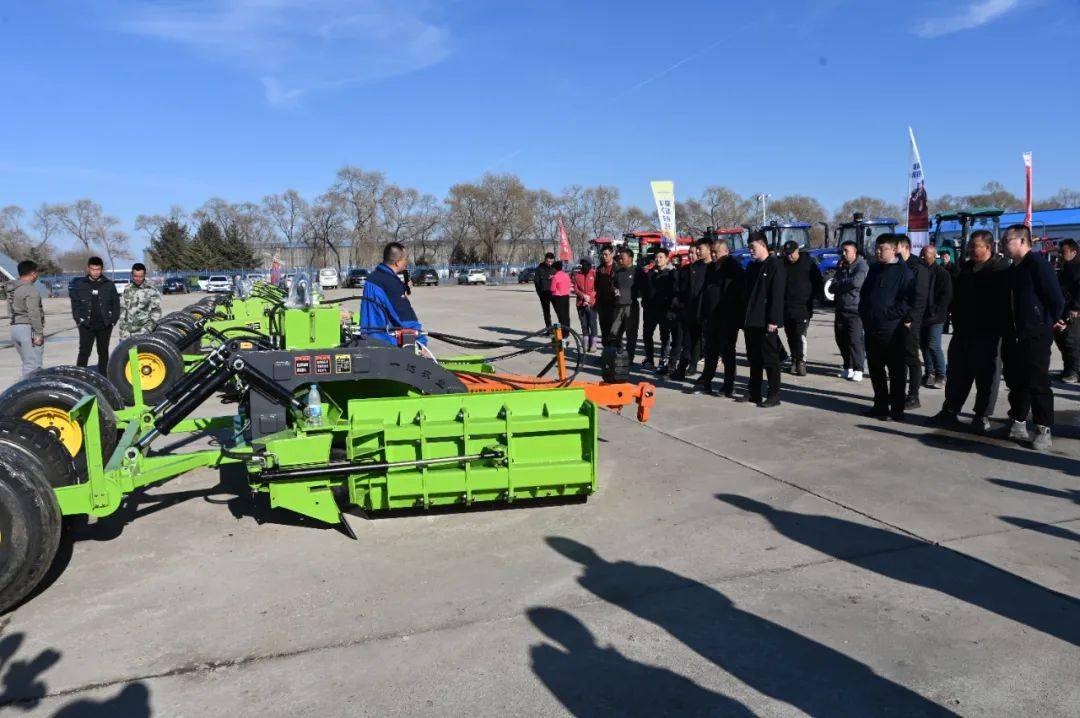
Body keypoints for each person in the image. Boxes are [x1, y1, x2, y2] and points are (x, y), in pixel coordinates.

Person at [932, 231, 1008, 434]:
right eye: (970, 246)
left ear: (988, 248)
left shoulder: (999, 270)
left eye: (976, 246)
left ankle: (981, 415)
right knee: (957, 373)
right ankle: (950, 410)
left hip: (988, 333)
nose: (971, 250)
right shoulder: (964, 269)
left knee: (986, 377)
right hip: (962, 331)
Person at [999, 224, 1065, 451]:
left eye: (1007, 240)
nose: (1003, 244)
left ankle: (1043, 428)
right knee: (1016, 381)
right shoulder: (1012, 270)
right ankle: (1017, 420)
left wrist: (1047, 321)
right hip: (1014, 334)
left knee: (1038, 382)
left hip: (1035, 334)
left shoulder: (1037, 265)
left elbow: (1055, 298)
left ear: (1022, 241)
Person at [858, 234, 913, 421]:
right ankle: (880, 405)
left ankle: (897, 409)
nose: (878, 252)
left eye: (882, 249)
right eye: (877, 248)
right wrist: (864, 313)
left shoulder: (903, 272)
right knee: (875, 369)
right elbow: (864, 294)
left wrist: (888, 316)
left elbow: (907, 302)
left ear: (894, 249)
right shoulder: (874, 269)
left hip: (892, 330)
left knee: (896, 371)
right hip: (871, 327)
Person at [695, 238, 745, 397]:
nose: (713, 255)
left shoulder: (734, 268)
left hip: (727, 319)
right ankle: (706, 381)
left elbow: (737, 295)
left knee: (727, 353)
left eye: (716, 252)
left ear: (725, 251)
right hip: (711, 318)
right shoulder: (711, 269)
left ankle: (728, 385)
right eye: (712, 252)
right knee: (710, 352)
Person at [742, 232, 786, 407]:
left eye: (753, 247)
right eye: (749, 248)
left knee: (770, 359)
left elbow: (777, 295)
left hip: (766, 321)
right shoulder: (752, 267)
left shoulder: (775, 265)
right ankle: (754, 392)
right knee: (754, 359)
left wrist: (773, 321)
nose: (750, 251)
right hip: (751, 320)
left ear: (762, 245)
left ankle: (774, 394)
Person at [360, 242, 425, 346]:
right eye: (406, 259)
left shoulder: (373, 278)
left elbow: (383, 303)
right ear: (397, 262)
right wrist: (421, 342)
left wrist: (401, 289)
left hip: (369, 340)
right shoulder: (391, 284)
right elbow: (405, 318)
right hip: (387, 345)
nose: (407, 262)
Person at [779, 240, 823, 376]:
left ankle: (801, 362)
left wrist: (817, 297)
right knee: (790, 335)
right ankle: (794, 360)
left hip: (803, 307)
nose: (789, 257)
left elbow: (818, 282)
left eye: (791, 254)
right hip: (787, 307)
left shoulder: (808, 263)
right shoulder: (783, 264)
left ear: (797, 251)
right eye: (787, 254)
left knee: (800, 335)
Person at [670, 239, 711, 380]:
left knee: (708, 345)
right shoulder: (692, 268)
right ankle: (682, 369)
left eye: (698, 250)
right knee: (688, 342)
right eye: (693, 251)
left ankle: (704, 374)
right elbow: (685, 290)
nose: (695, 254)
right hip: (691, 311)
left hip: (707, 313)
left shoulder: (712, 268)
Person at [70, 256, 120, 373]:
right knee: (84, 351)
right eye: (93, 269)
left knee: (103, 352)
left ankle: (104, 376)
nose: (95, 272)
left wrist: (112, 321)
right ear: (88, 269)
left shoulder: (109, 284)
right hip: (86, 325)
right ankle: (80, 376)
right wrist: (79, 320)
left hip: (104, 325)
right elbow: (75, 304)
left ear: (101, 269)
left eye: (98, 269)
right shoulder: (80, 284)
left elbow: (116, 304)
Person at [896, 235, 930, 409]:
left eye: (896, 248)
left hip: (910, 321)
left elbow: (919, 297)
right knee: (897, 358)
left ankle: (913, 396)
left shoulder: (918, 268)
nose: (894, 251)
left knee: (911, 358)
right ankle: (898, 394)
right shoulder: (896, 266)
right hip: (895, 319)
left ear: (905, 247)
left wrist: (911, 319)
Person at [833, 240, 868, 382]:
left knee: (855, 341)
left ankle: (859, 369)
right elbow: (832, 286)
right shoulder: (841, 266)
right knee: (841, 340)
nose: (843, 253)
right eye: (842, 251)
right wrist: (842, 284)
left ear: (854, 251)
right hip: (840, 308)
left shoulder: (862, 265)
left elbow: (856, 282)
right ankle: (848, 367)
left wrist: (840, 284)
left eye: (846, 250)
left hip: (855, 310)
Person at [918, 246, 952, 389]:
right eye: (921, 254)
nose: (921, 257)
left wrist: (936, 312)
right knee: (924, 345)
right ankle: (929, 372)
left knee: (933, 344)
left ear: (933, 256)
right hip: (922, 315)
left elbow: (946, 296)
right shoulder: (921, 271)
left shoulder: (942, 273)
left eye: (924, 255)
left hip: (936, 317)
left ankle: (941, 374)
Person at [639, 248, 676, 371]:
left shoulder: (671, 273)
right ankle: (649, 359)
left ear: (667, 259)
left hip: (664, 310)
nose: (658, 259)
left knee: (664, 336)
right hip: (650, 310)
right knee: (647, 334)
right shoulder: (650, 273)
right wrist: (644, 302)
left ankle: (663, 360)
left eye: (661, 257)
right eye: (657, 257)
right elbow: (645, 289)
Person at [6, 260, 45, 377]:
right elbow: (34, 312)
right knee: (34, 367)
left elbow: (9, 310)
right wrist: (38, 333)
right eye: (37, 273)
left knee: (27, 363)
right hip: (27, 329)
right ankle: (30, 392)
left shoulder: (12, 288)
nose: (37, 275)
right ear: (33, 273)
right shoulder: (30, 289)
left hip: (15, 328)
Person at [1053, 239, 1080, 382]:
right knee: (1062, 340)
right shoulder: (1066, 267)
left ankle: (1075, 372)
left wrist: (1076, 307)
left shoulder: (1077, 267)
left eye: (1063, 252)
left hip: (1074, 311)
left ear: (1074, 252)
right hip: (1065, 308)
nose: (1060, 255)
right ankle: (1068, 369)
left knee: (1072, 341)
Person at [117, 263, 162, 339]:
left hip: (144, 334)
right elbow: (122, 309)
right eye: (135, 276)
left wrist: (147, 329)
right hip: (128, 334)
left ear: (144, 275)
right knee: (132, 351)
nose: (138, 279)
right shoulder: (127, 289)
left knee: (143, 351)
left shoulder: (152, 290)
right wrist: (123, 328)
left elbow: (156, 312)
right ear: (132, 275)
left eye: (140, 276)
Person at [606, 247, 636, 352]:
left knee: (630, 333)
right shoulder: (618, 272)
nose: (620, 260)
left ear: (630, 258)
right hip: (618, 306)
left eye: (622, 258)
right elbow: (613, 286)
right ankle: (617, 352)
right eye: (619, 258)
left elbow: (643, 289)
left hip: (631, 307)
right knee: (615, 331)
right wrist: (614, 290)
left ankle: (630, 356)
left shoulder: (637, 271)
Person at [572, 258, 599, 352]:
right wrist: (583, 296)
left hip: (593, 304)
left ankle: (594, 344)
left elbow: (597, 288)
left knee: (593, 324)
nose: (585, 266)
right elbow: (575, 289)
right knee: (584, 324)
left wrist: (590, 298)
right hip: (580, 304)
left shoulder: (594, 274)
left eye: (587, 264)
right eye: (583, 264)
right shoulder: (576, 276)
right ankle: (586, 342)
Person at [594, 246, 617, 346]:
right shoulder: (600, 269)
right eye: (602, 255)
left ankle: (614, 353)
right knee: (604, 329)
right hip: (602, 303)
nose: (604, 257)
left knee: (614, 329)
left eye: (606, 254)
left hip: (614, 303)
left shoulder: (618, 268)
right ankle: (606, 353)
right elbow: (596, 285)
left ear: (612, 254)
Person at [533, 252, 557, 328]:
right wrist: (539, 293)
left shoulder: (555, 268)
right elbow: (536, 282)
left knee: (559, 311)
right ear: (545, 260)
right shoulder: (539, 269)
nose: (550, 263)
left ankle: (562, 329)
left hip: (555, 293)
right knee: (546, 312)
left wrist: (554, 277)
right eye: (548, 261)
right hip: (544, 294)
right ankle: (549, 328)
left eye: (551, 262)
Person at [939, 251, 959, 334]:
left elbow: (956, 278)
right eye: (943, 257)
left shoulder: (954, 267)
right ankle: (945, 329)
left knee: (954, 313)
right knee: (945, 312)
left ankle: (956, 329)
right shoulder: (940, 267)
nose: (945, 258)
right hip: (944, 293)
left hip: (953, 292)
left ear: (949, 257)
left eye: (946, 257)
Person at [549, 261, 572, 329]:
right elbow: (569, 285)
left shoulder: (555, 277)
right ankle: (567, 331)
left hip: (558, 298)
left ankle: (563, 332)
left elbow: (552, 289)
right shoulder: (566, 275)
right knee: (566, 314)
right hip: (566, 296)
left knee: (561, 316)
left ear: (555, 268)